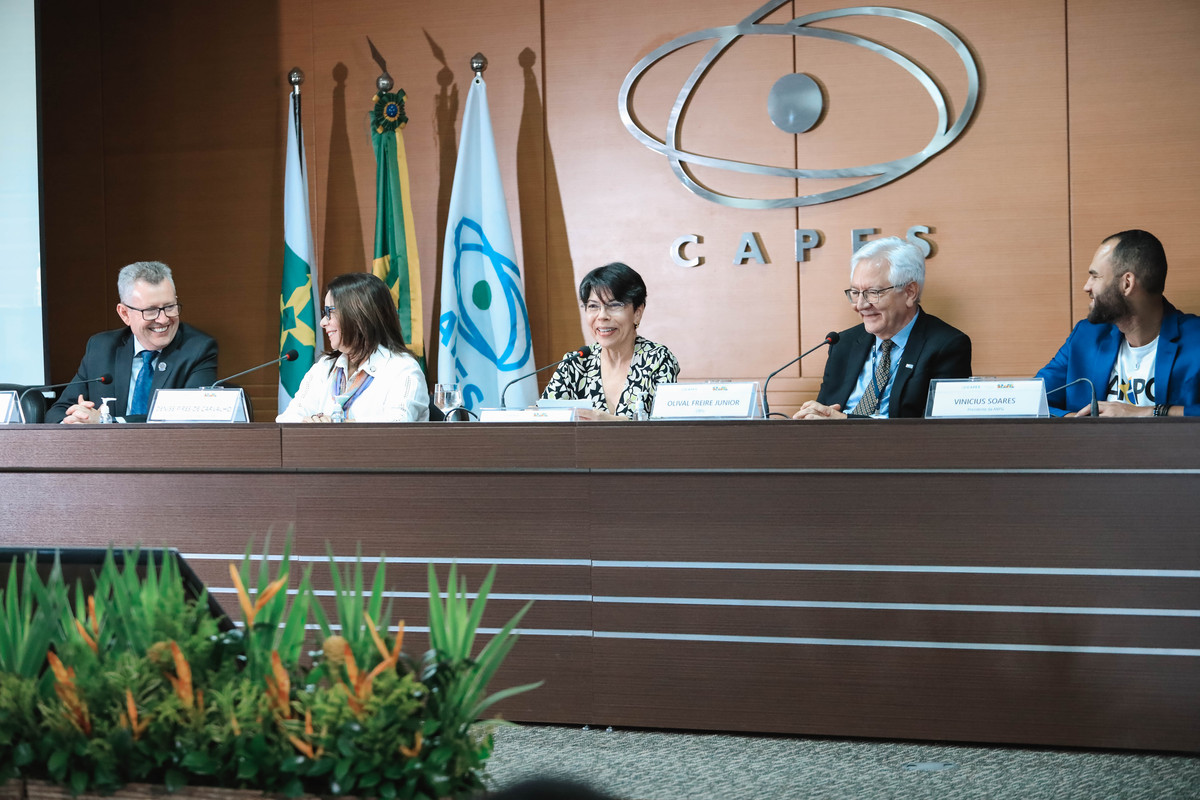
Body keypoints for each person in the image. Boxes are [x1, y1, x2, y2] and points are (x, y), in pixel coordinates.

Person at [793, 237, 972, 419]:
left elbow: (940, 430)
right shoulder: (843, 343)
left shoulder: (947, 345)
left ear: (910, 292)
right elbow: (825, 413)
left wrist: (846, 422)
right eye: (855, 293)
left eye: (873, 293)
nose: (860, 305)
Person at [1036, 229, 1200, 417]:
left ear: (1127, 284)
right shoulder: (1085, 336)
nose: (1086, 287)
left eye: (1095, 276)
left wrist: (1148, 413)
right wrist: (1077, 422)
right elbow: (1029, 401)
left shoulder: (1196, 340)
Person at [47, 261, 218, 423]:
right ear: (125, 314)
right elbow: (58, 411)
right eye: (151, 311)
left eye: (169, 307)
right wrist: (76, 420)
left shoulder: (198, 349)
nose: (163, 319)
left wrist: (106, 421)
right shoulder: (101, 348)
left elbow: (192, 418)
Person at [277, 272, 429, 422]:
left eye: (330, 312)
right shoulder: (324, 367)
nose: (322, 322)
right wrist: (308, 421)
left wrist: (337, 426)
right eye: (324, 313)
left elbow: (399, 422)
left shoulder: (402, 369)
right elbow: (288, 418)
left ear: (359, 315)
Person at [541, 262, 680, 420]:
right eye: (593, 306)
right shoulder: (576, 363)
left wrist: (608, 422)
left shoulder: (657, 359)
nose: (602, 316)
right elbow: (545, 420)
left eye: (614, 306)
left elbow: (665, 428)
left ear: (637, 313)